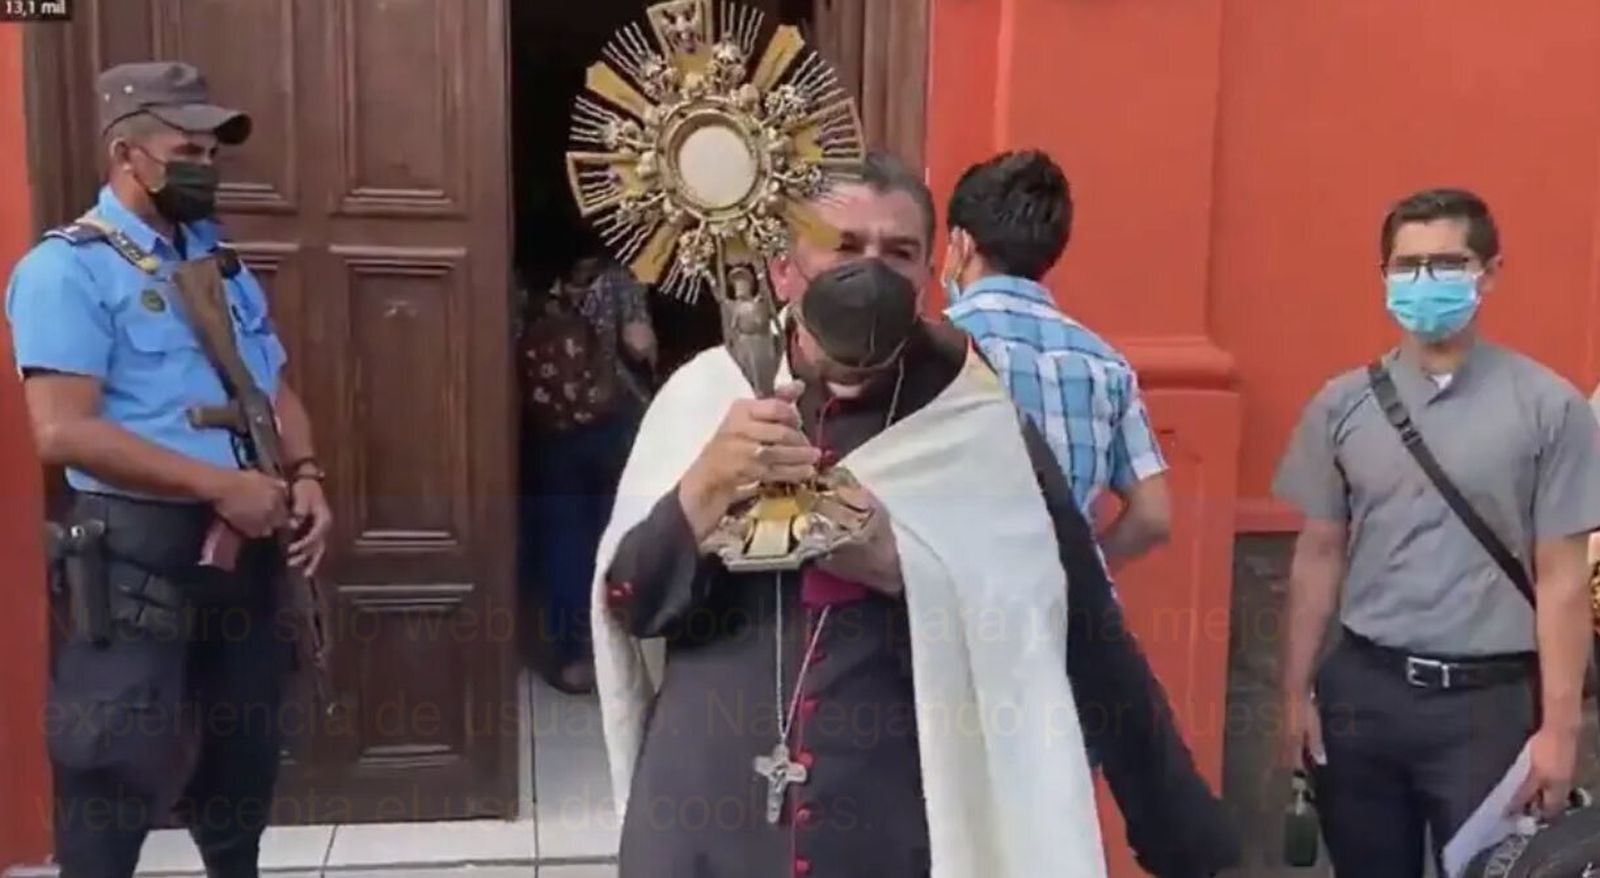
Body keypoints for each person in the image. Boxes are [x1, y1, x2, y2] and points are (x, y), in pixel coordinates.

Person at [591, 152, 1238, 877]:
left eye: (897, 253)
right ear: (782, 270)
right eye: (843, 247)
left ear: (931, 273)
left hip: (888, 830)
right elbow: (630, 604)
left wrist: (907, 569)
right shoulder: (705, 398)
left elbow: (1081, 627)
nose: (869, 271)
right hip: (703, 825)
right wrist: (702, 491)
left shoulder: (974, 421)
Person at [5, 62, 332, 877]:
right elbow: (63, 433)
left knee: (244, 753)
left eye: (214, 154)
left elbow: (273, 386)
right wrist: (221, 486)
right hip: (136, 561)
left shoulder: (217, 261)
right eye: (189, 149)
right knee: (111, 766)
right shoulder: (65, 269)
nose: (207, 168)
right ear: (129, 155)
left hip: (245, 552)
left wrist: (309, 474)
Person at [1273, 188, 1600, 876]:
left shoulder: (1550, 409)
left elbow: (1563, 578)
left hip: (1488, 707)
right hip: (1364, 694)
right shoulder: (1342, 405)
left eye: (1448, 263)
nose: (1425, 282)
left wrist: (1559, 730)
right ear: (1384, 276)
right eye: (1407, 264)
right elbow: (1318, 555)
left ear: (1490, 272)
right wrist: (1295, 692)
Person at [944, 150, 1170, 569]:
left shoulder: (937, 345)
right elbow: (1153, 515)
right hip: (1066, 615)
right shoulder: (1106, 364)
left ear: (961, 244)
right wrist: (1086, 571)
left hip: (957, 606)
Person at [520, 238, 657, 693]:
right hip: (607, 424)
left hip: (546, 430)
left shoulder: (522, 283)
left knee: (561, 541)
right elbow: (640, 345)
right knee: (614, 535)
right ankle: (618, 649)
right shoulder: (616, 280)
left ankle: (571, 657)